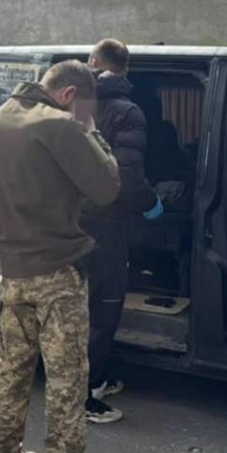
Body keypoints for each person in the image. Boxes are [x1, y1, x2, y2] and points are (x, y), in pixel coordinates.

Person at [0, 60, 120, 453]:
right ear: (69, 95)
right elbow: (107, 187)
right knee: (66, 377)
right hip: (57, 271)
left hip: (12, 270)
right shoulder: (62, 126)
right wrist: (93, 132)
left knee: (12, 370)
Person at [81, 39, 162, 424]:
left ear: (94, 61)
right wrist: (151, 203)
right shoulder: (127, 111)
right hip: (106, 223)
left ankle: (93, 379)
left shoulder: (74, 104)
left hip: (70, 220)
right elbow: (126, 179)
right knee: (103, 309)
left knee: (79, 307)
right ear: (125, 68)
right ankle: (87, 393)